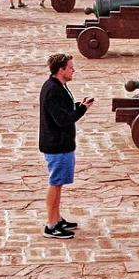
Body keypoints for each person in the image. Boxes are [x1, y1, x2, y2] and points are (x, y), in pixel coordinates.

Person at [39, 52, 93, 239]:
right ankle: (51, 225)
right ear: (61, 70)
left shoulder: (58, 86)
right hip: (57, 145)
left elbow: (63, 111)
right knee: (55, 184)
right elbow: (62, 119)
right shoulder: (53, 90)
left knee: (58, 184)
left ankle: (56, 218)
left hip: (61, 144)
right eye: (70, 67)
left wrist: (79, 106)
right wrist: (82, 110)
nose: (73, 70)